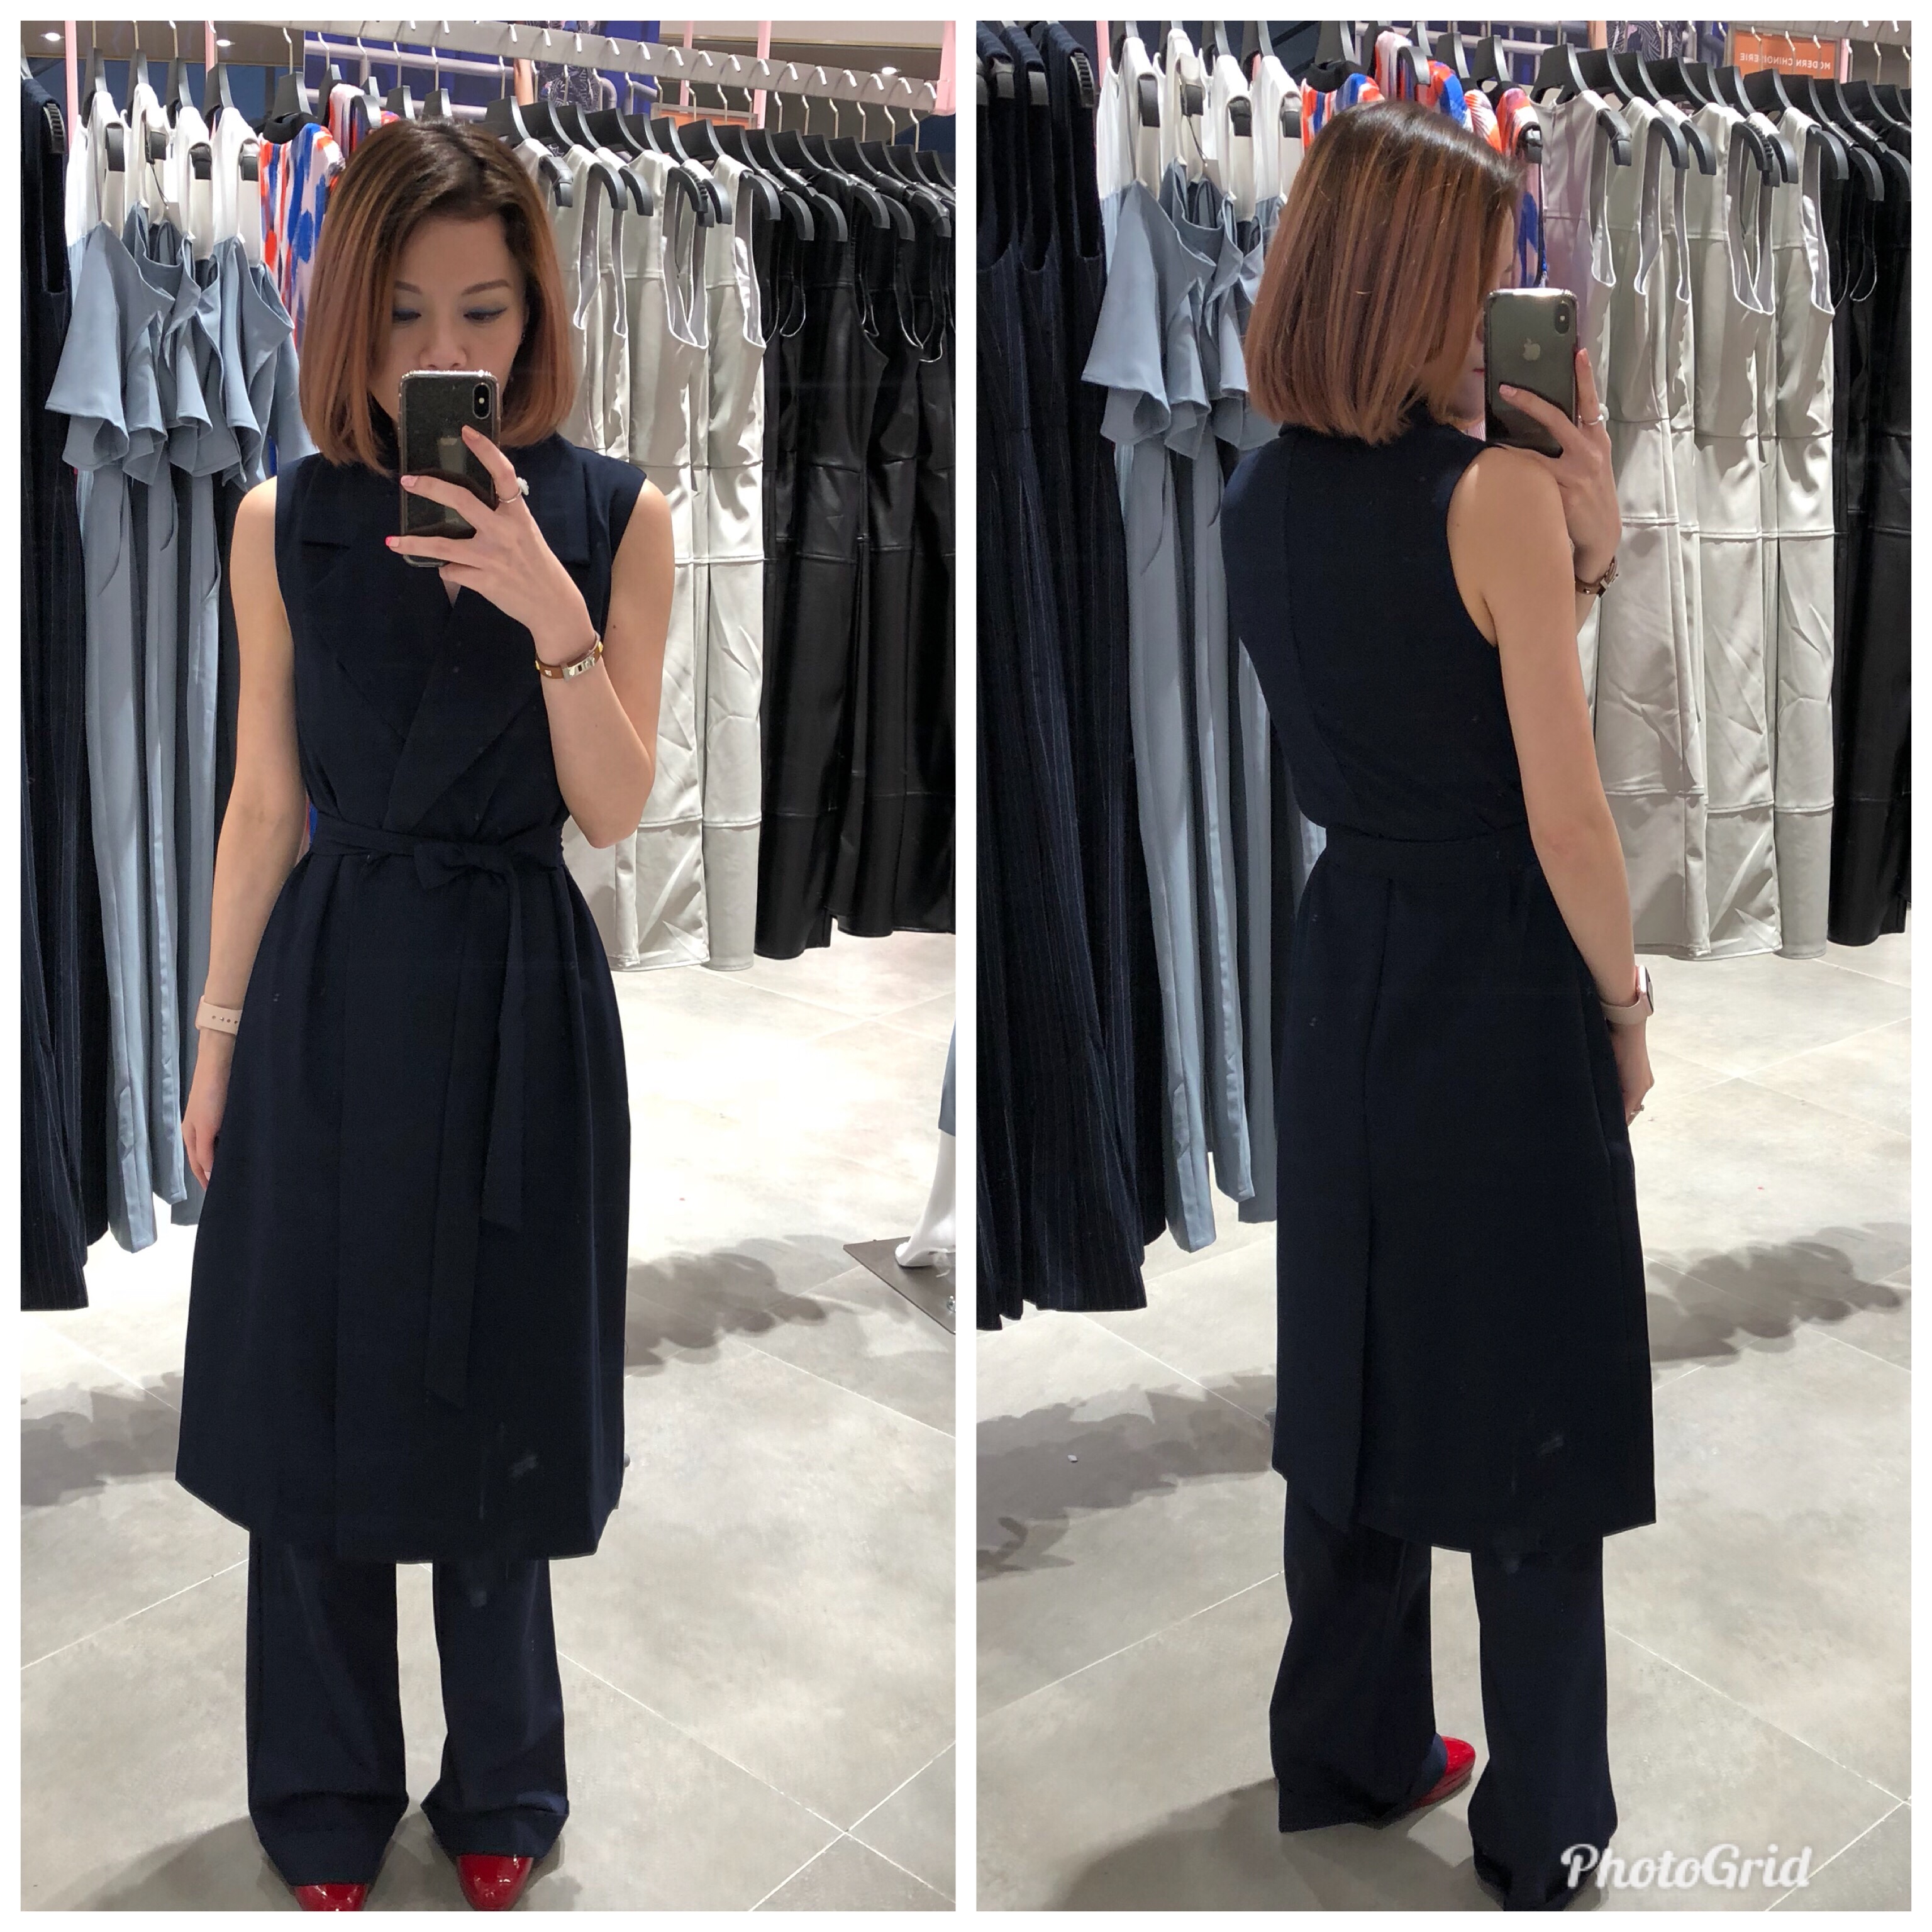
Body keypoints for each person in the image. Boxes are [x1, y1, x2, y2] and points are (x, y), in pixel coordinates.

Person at [173, 118, 673, 1912]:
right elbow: (260, 801)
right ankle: (319, 1786)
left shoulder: (618, 517)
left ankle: (505, 1774)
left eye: (481, 308)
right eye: (400, 314)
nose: (442, 350)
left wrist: (550, 610)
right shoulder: (282, 521)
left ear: (534, 312)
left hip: (520, 993)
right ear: (345, 319)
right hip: (333, 985)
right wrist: (216, 1040)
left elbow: (613, 810)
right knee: (316, 1390)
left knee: (498, 1396)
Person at [1221, 101, 1657, 1912]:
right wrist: (1625, 999)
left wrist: (1586, 544)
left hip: (1347, 955)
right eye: (1486, 277)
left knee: (1356, 1351)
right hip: (1495, 964)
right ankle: (1546, 1825)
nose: (1505, 310)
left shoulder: (1257, 493)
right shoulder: (1490, 499)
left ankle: (1348, 1749)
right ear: (1414, 289)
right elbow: (1566, 812)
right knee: (1533, 1381)